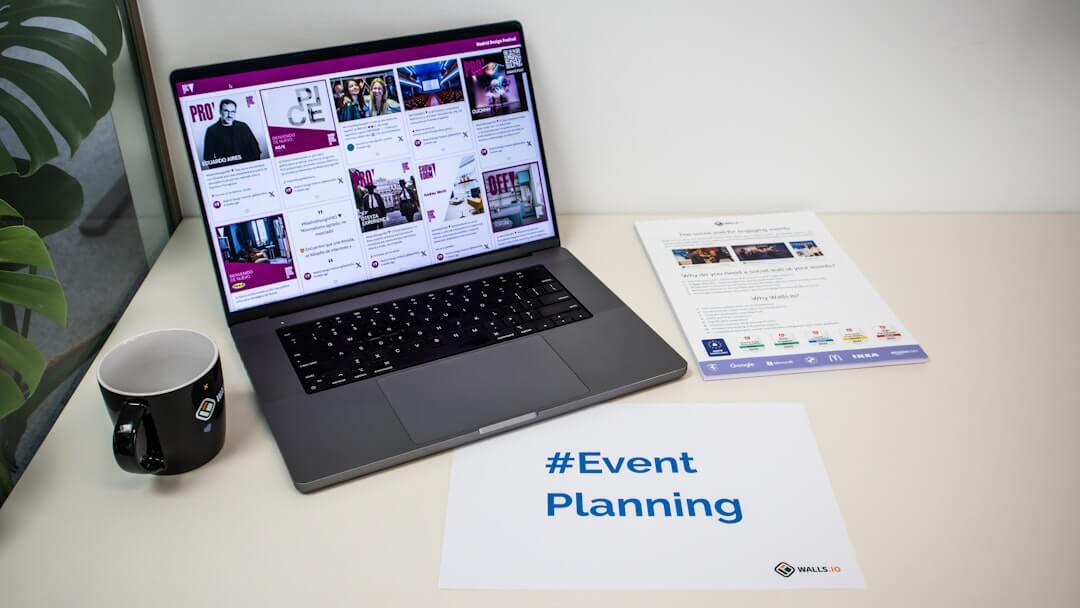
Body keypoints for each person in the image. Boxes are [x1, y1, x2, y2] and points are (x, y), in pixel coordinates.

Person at [202, 99, 262, 169]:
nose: (229, 115)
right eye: (226, 111)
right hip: (227, 174)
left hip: (248, 170)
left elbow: (256, 149)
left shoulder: (243, 126)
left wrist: (252, 167)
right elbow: (208, 158)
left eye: (232, 112)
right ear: (220, 112)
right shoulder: (211, 130)